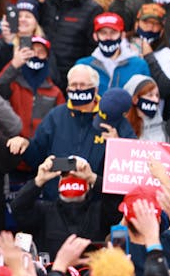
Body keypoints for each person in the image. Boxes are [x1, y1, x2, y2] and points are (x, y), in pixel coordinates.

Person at [8, 65, 136, 200]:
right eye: (74, 85)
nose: (78, 89)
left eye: (83, 84)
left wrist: (118, 146)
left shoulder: (113, 118)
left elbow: (131, 164)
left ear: (96, 89)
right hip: (57, 203)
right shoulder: (56, 116)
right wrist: (25, 144)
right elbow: (36, 157)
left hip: (96, 205)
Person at [75, 12, 150, 94]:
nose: (108, 37)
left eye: (113, 32)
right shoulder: (83, 66)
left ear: (122, 35)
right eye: (103, 33)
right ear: (95, 36)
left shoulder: (139, 65)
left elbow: (146, 95)